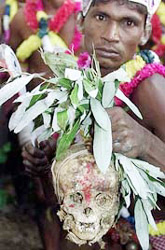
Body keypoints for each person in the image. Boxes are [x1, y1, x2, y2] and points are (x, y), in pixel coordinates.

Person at [21, 0, 165, 249]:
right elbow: (62, 199)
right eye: (101, 18)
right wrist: (48, 169)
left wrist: (147, 143)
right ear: (80, 22)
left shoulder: (151, 90)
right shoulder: (77, 83)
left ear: (144, 33)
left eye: (128, 22)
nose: (110, 35)